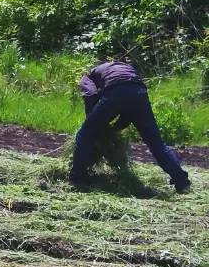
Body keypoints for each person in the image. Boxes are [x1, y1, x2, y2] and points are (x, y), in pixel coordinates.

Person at [70, 60, 191, 193]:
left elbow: (91, 96)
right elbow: (127, 115)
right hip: (139, 91)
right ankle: (182, 182)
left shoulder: (88, 76)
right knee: (156, 143)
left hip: (115, 90)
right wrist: (114, 129)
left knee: (84, 135)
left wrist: (95, 126)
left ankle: (78, 177)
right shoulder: (125, 67)